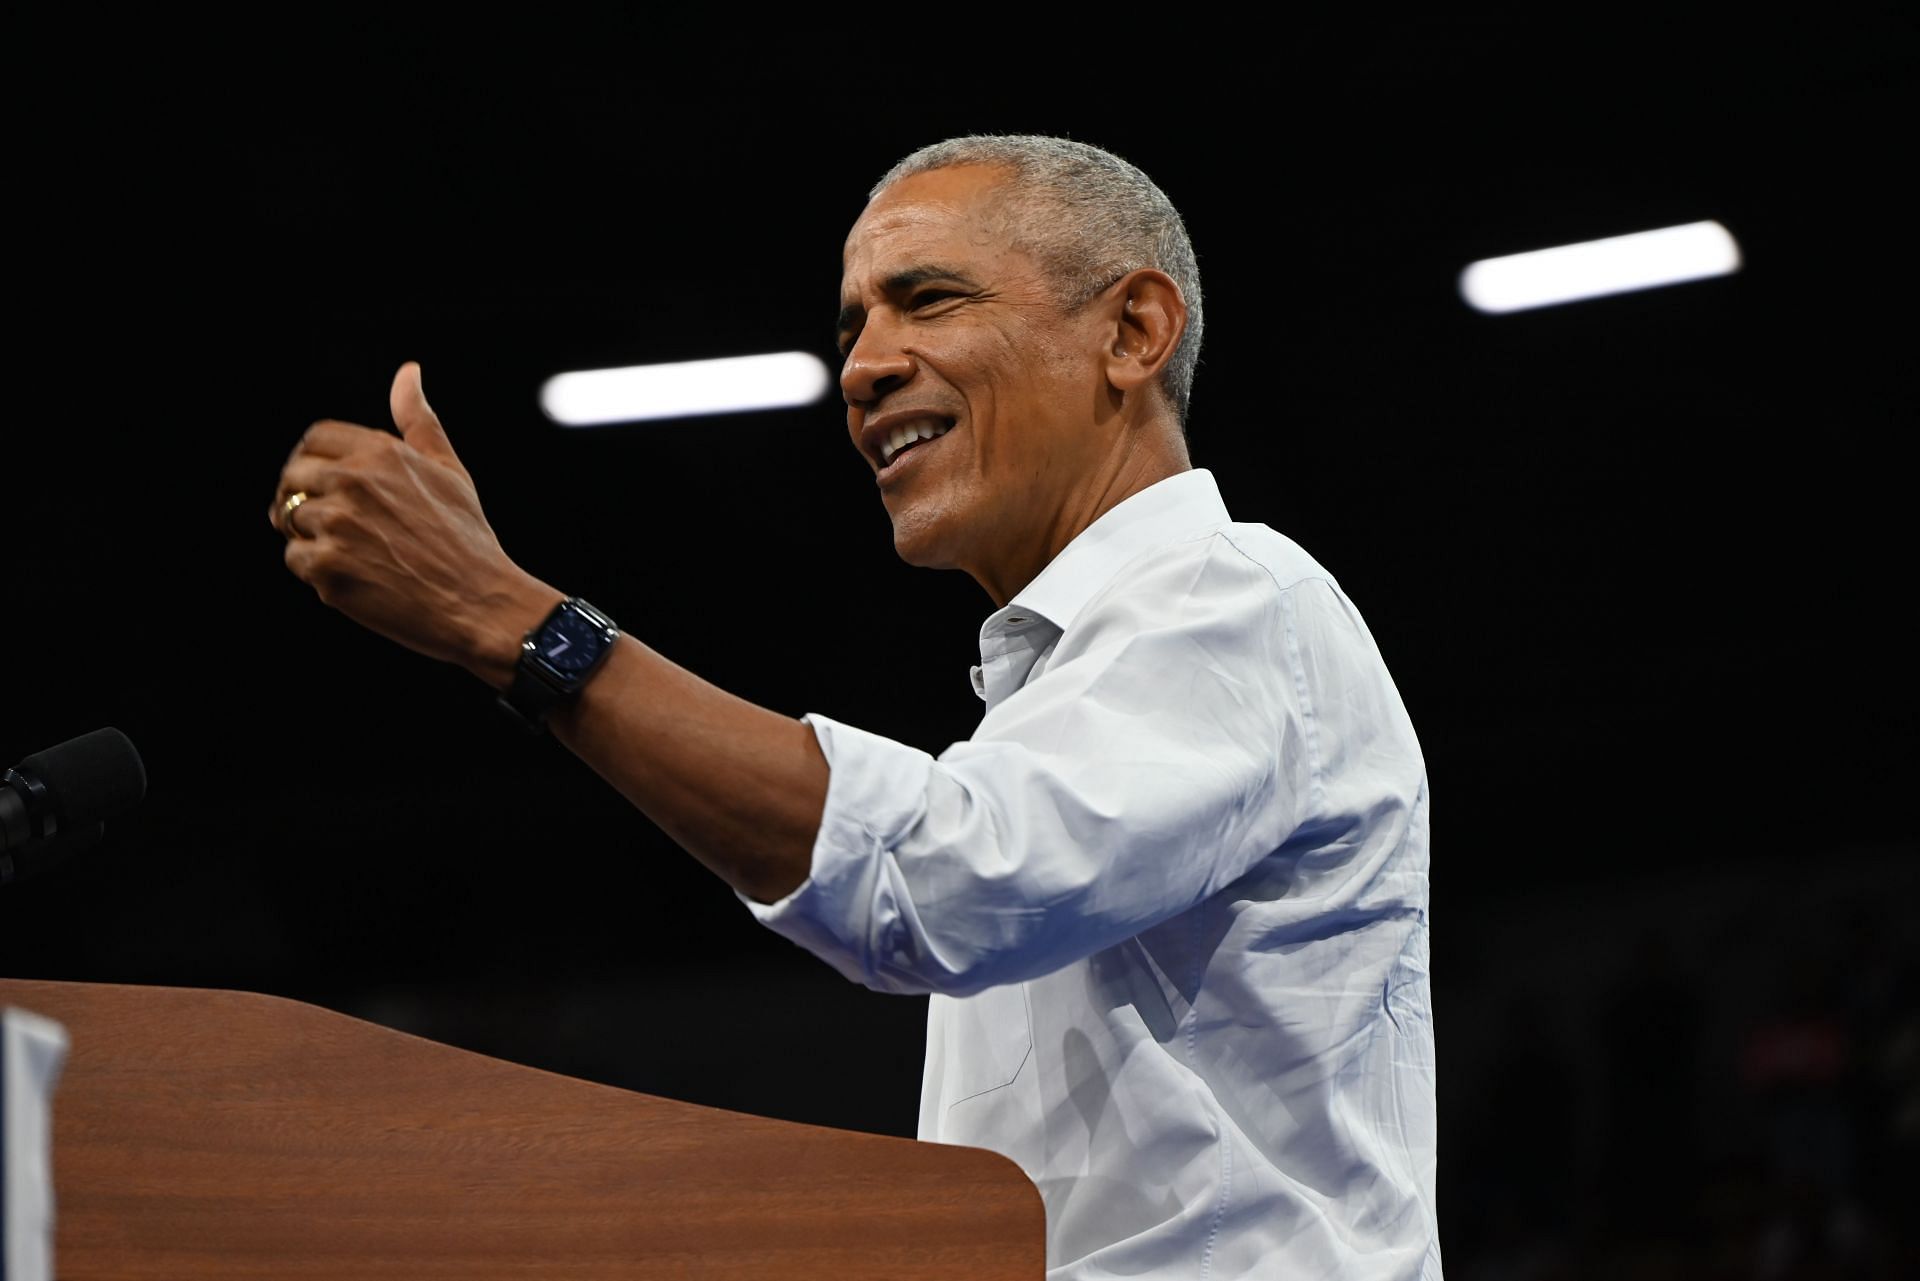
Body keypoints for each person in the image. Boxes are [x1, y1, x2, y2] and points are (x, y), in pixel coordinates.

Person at [268, 135, 1440, 1279]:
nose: (864, 365)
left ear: (1131, 332)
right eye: (853, 327)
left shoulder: (1237, 596)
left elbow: (942, 880)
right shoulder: (1066, 694)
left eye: (927, 300)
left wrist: (518, 624)